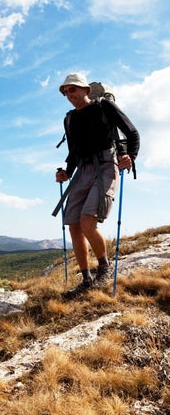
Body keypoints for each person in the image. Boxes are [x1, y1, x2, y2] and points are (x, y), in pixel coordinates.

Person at [55, 73, 140, 299]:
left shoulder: (104, 106)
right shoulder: (70, 119)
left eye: (72, 90)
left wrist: (130, 155)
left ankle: (104, 267)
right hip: (83, 169)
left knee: (87, 222)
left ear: (85, 89)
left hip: (105, 165)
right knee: (73, 225)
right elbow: (73, 152)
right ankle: (86, 280)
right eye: (66, 92)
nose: (69, 95)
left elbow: (132, 131)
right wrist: (66, 172)